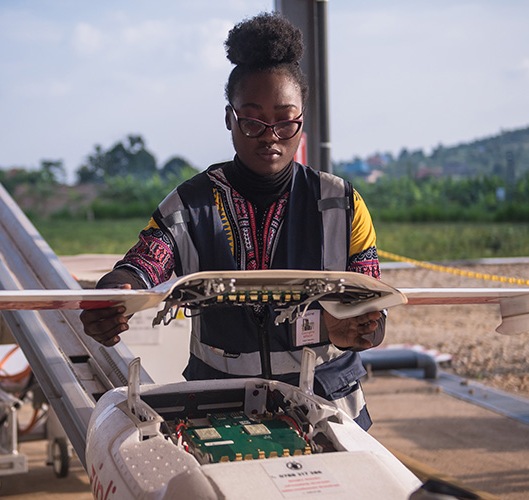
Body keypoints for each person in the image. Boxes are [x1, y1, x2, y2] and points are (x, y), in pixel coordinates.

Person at [80, 12, 385, 431]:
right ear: (230, 118)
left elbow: (375, 316)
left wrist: (360, 331)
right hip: (219, 411)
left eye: (284, 120)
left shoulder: (342, 204)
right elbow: (143, 264)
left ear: (302, 119)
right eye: (253, 120)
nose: (270, 135)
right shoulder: (190, 204)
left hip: (329, 413)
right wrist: (115, 293)